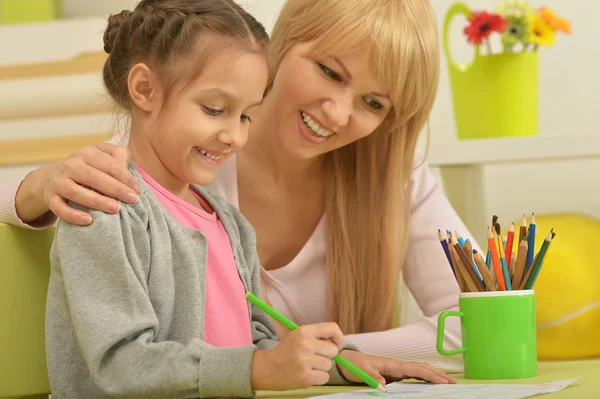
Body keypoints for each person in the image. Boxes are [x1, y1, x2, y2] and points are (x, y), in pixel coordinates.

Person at [1, 0, 469, 374]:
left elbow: (476, 318)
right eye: (329, 71)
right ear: (282, 46)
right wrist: (39, 185)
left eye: (372, 102)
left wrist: (318, 356)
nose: (337, 114)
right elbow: (123, 360)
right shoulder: (163, 163)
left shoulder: (391, 174)